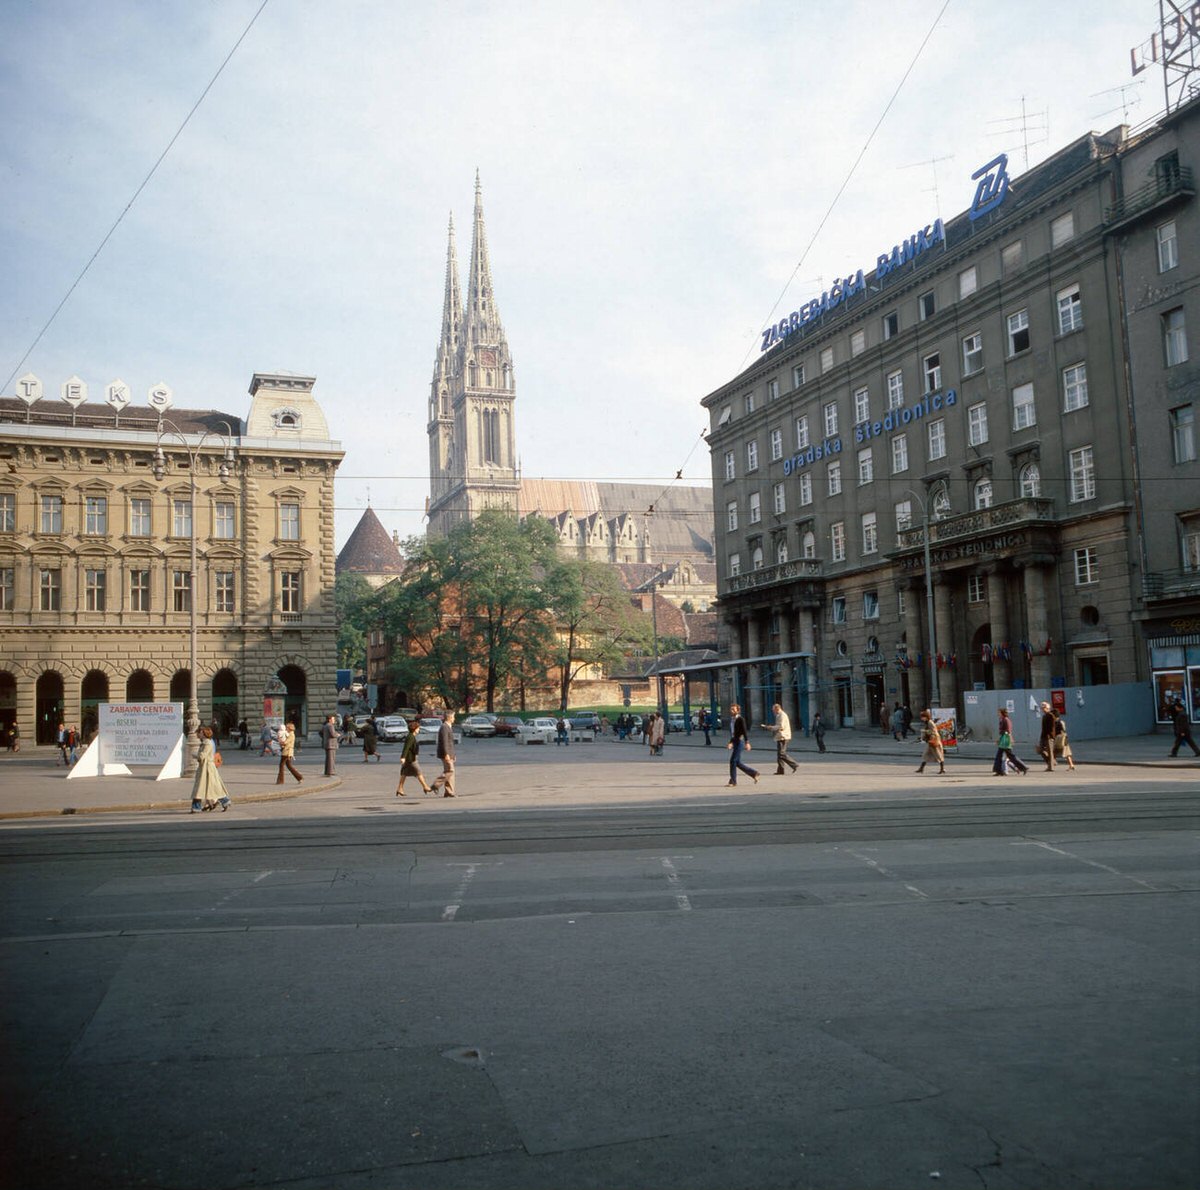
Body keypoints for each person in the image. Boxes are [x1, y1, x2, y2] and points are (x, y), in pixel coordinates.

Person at [190, 726, 231, 813]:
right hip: (206, 768)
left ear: (204, 733)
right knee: (210, 787)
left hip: (207, 768)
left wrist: (194, 755)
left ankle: (196, 807)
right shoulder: (206, 742)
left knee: (203, 787)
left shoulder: (207, 743)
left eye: (199, 732)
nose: (198, 734)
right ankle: (225, 801)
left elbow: (202, 756)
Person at [396, 718, 432, 796]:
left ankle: (400, 788)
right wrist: (403, 757)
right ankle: (425, 786)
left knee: (404, 774)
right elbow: (406, 747)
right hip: (410, 759)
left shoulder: (411, 736)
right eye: (418, 728)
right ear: (415, 729)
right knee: (419, 772)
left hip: (410, 758)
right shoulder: (410, 737)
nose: (419, 730)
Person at [725, 703, 759, 787]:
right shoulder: (732, 720)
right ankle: (754, 773)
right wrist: (730, 742)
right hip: (735, 741)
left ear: (737, 710)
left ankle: (733, 781)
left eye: (733, 709)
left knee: (732, 761)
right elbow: (733, 733)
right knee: (737, 762)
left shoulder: (740, 719)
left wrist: (747, 742)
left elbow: (744, 731)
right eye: (731, 709)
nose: (731, 710)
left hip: (740, 742)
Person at [763, 703, 798, 774]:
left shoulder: (782, 715)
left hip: (783, 736)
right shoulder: (779, 715)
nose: (773, 711)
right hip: (780, 736)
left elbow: (781, 726)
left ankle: (794, 764)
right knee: (779, 755)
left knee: (781, 754)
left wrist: (771, 727)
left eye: (773, 710)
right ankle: (780, 770)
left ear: (777, 709)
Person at [992, 707, 1027, 775]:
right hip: (1003, 739)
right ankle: (999, 771)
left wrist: (1002, 737)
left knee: (1010, 756)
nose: (998, 713)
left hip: (1006, 740)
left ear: (1002, 713)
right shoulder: (1002, 719)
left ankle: (1023, 767)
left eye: (999, 712)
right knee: (1000, 755)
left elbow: (1008, 730)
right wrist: (1000, 738)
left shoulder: (1006, 720)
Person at [430, 710, 457, 798]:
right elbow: (445, 742)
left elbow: (450, 743)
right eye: (453, 717)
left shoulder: (448, 726)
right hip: (446, 754)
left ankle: (449, 792)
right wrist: (446, 754)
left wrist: (453, 754)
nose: (454, 719)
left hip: (450, 753)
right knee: (450, 771)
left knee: (449, 772)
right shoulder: (444, 727)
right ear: (449, 718)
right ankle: (436, 785)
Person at [915, 709, 945, 774]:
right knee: (926, 755)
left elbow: (933, 731)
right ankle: (921, 768)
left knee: (938, 755)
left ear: (926, 717)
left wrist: (924, 731)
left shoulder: (930, 722)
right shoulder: (928, 722)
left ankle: (942, 768)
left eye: (922, 717)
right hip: (931, 741)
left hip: (934, 741)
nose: (921, 718)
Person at [1036, 701, 1057, 772]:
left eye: (1044, 707)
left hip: (1049, 737)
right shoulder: (1044, 716)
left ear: (1048, 708)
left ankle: (1051, 767)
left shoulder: (1051, 715)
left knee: (1050, 752)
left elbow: (1052, 727)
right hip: (1043, 736)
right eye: (1042, 708)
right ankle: (1052, 761)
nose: (1043, 709)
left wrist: (1050, 736)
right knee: (1040, 750)